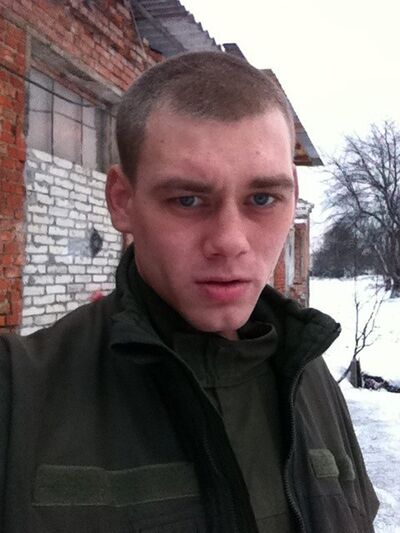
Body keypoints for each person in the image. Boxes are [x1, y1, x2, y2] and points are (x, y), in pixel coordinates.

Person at [0, 52, 378, 533]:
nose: (230, 242)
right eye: (188, 199)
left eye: (263, 199)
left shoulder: (308, 376)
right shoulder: (19, 395)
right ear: (122, 200)